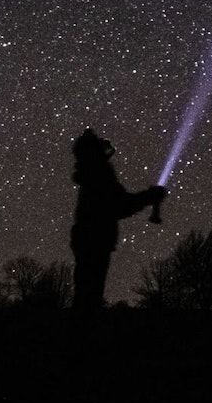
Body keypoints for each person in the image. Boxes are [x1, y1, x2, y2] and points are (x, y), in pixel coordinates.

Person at [69, 128, 166, 312]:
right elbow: (117, 206)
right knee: (89, 298)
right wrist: (149, 197)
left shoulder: (91, 173)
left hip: (87, 241)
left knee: (84, 295)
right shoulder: (99, 173)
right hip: (95, 242)